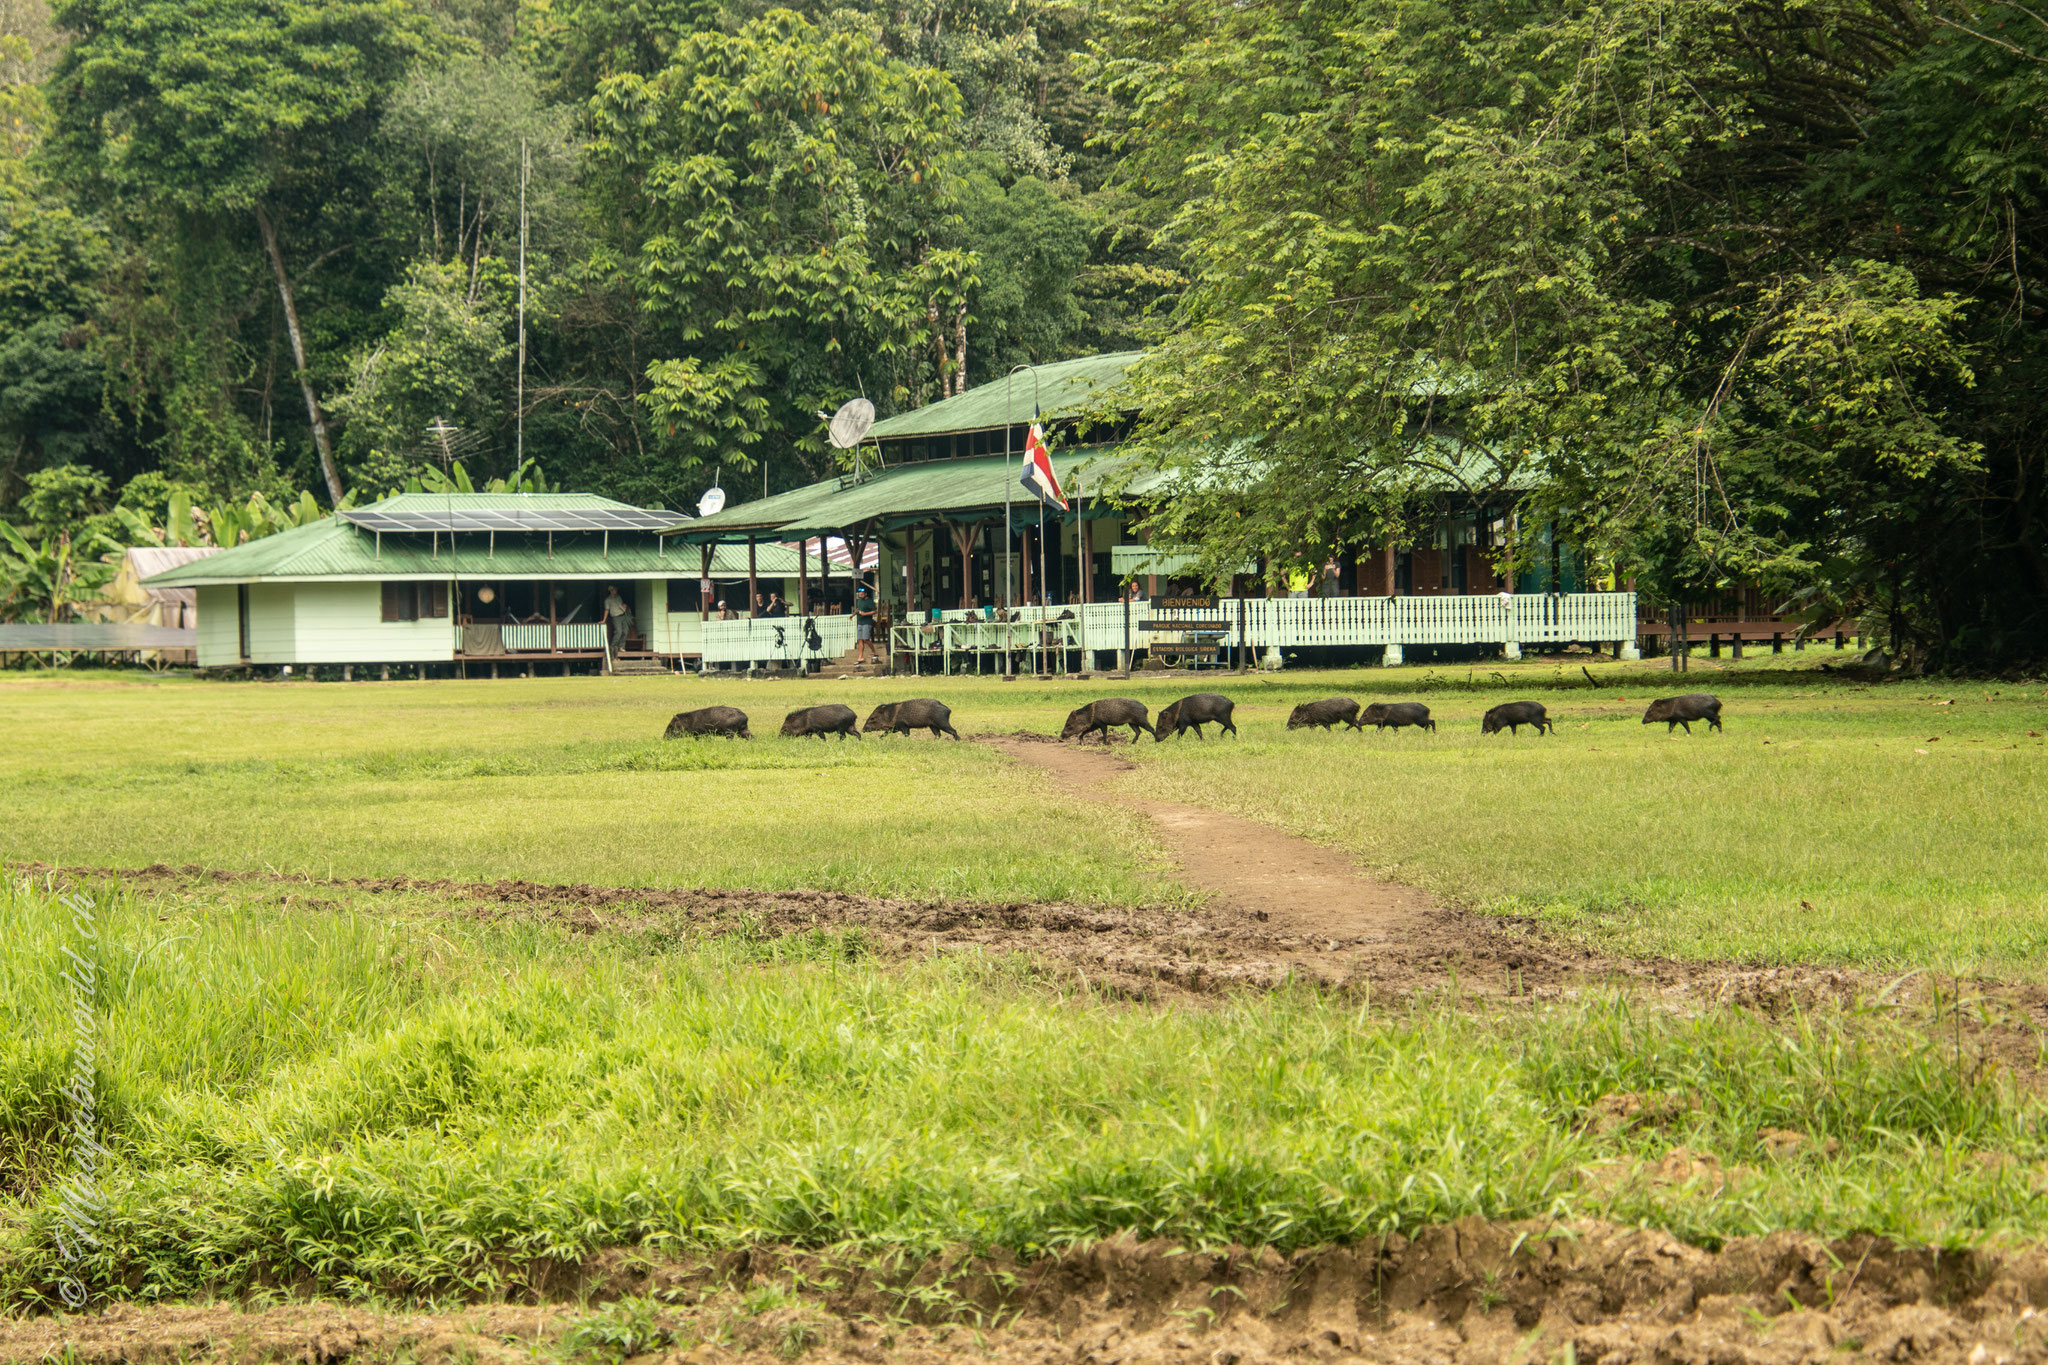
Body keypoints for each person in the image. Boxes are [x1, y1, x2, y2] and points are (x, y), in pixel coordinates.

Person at [601, 584, 633, 653]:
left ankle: (621, 647)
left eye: (616, 590)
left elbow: (621, 605)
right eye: (614, 590)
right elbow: (606, 610)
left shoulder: (619, 597)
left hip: (623, 615)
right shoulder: (607, 600)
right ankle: (612, 647)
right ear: (611, 591)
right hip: (615, 617)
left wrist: (624, 606)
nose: (615, 591)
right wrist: (604, 620)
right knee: (618, 632)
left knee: (625, 631)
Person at [854, 584, 877, 662]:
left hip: (867, 622)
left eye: (862, 593)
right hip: (860, 622)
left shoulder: (869, 601)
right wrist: (852, 615)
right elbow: (858, 609)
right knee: (860, 639)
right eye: (859, 593)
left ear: (865, 594)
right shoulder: (859, 601)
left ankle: (873, 651)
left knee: (866, 639)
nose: (860, 594)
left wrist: (865, 614)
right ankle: (860, 656)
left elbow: (874, 611)